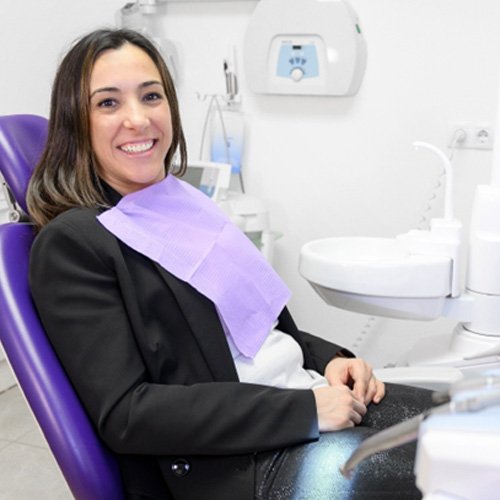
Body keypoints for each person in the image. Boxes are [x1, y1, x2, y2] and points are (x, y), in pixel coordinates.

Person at [27, 28, 434, 500]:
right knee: (463, 472)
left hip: (305, 398)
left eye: (151, 95)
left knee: (476, 428)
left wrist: (334, 362)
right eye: (108, 103)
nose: (138, 119)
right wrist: (305, 411)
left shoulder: (180, 204)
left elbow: (255, 329)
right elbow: (128, 412)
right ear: (75, 122)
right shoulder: (75, 243)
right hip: (246, 463)